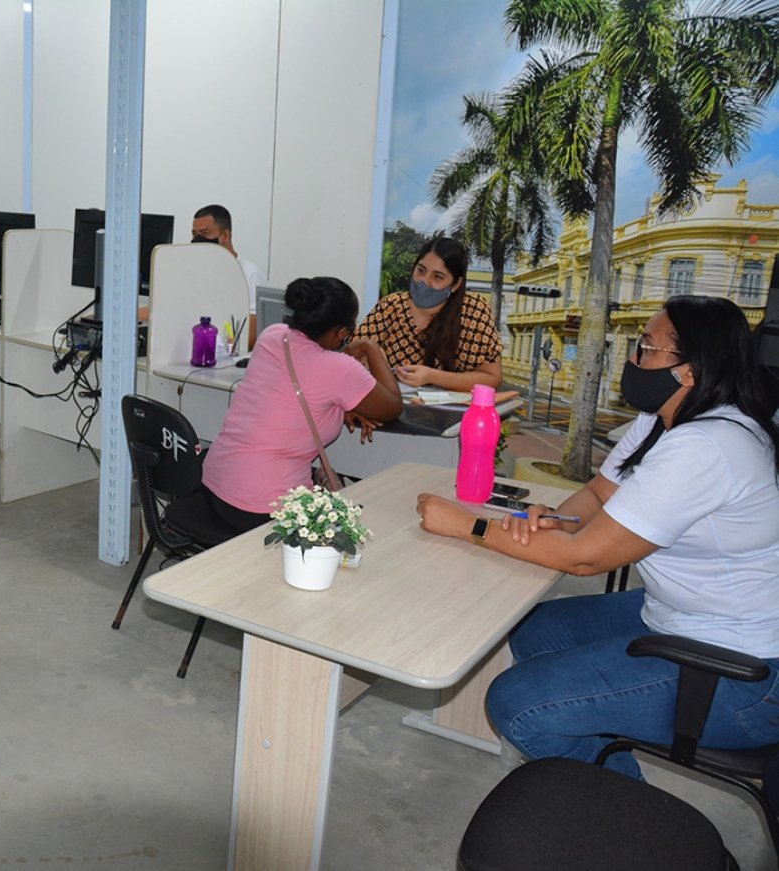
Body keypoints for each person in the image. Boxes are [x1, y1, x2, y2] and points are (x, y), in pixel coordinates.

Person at [415, 295, 779, 778]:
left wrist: (466, 525)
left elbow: (584, 560)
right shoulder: (663, 420)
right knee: (530, 628)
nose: (633, 359)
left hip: (746, 673)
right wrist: (555, 520)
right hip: (682, 616)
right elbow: (597, 493)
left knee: (517, 704)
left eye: (646, 348)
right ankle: (599, 733)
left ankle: (623, 810)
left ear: (689, 371)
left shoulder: (707, 445)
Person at [200, 276, 403, 531]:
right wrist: (371, 348)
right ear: (342, 332)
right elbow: (393, 407)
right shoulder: (340, 369)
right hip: (263, 509)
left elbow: (302, 385)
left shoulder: (271, 335)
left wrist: (342, 406)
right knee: (364, 527)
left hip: (215, 486)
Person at [354, 237, 503, 391]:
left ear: (455, 284)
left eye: (438, 277)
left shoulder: (474, 311)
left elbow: (492, 378)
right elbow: (352, 353)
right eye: (421, 270)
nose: (424, 281)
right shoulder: (390, 306)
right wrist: (372, 359)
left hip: (453, 406)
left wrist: (433, 376)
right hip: (394, 404)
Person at [192, 205, 268, 340]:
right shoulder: (197, 273)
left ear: (225, 235)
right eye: (194, 234)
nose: (197, 239)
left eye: (205, 233)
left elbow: (253, 334)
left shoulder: (250, 274)